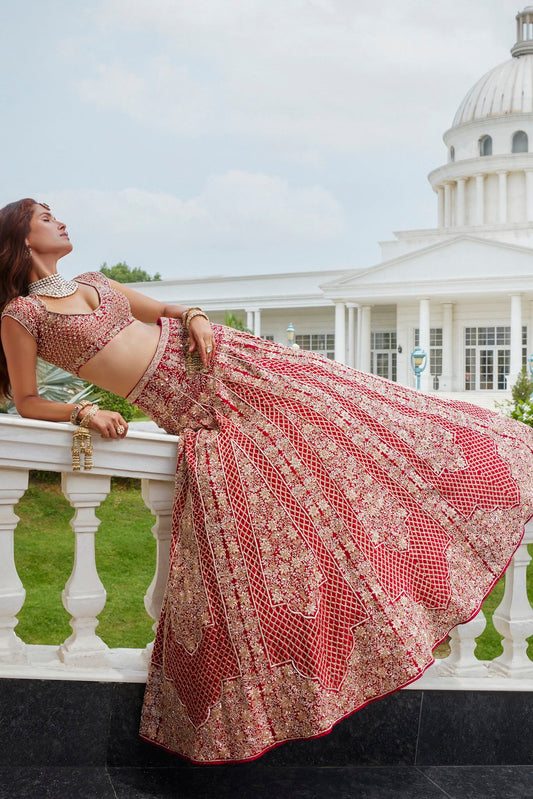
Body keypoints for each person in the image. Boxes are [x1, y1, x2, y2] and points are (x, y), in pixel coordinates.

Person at [1, 198, 532, 764]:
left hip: (235, 363)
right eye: (46, 217)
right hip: (196, 407)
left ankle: (502, 455)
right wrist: (83, 412)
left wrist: (196, 317)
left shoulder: (94, 281)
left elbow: (170, 311)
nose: (61, 221)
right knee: (290, 519)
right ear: (23, 237)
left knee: (352, 414)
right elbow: (27, 399)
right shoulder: (21, 316)